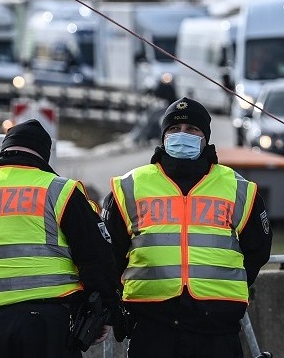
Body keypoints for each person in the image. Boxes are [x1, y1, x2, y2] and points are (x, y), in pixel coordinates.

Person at [0, 119, 121, 358]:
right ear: (44, 155)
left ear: (5, 149)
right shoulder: (59, 191)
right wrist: (105, 311)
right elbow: (97, 258)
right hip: (46, 327)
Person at [102, 97, 273, 358]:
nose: (182, 136)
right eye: (174, 130)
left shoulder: (238, 188)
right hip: (152, 326)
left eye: (192, 130)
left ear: (205, 137)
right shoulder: (130, 187)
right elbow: (109, 254)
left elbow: (258, 250)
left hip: (217, 329)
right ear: (163, 137)